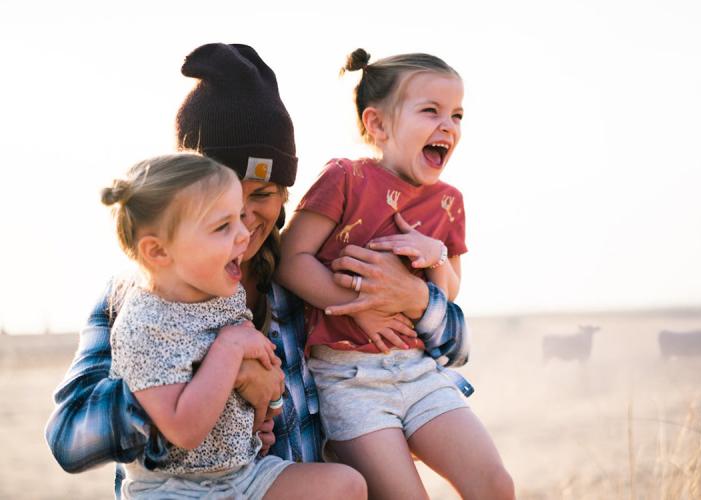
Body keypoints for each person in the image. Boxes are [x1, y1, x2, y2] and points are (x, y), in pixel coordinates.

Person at [45, 43, 470, 499]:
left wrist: (417, 299)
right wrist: (217, 377)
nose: (245, 217)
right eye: (223, 199)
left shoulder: (304, 278)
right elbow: (71, 439)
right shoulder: (137, 293)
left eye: (263, 192)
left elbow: (453, 352)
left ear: (286, 196)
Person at [276, 49, 515, 499]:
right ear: (378, 125)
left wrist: (436, 255)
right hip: (349, 379)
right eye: (431, 111)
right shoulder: (345, 178)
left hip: (418, 371)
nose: (449, 126)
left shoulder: (449, 201)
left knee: (495, 484)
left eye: (458, 115)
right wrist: (358, 307)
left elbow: (448, 293)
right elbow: (291, 259)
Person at [100, 153, 297, 498]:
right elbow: (185, 430)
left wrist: (260, 419)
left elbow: (261, 374)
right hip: (176, 488)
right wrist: (230, 348)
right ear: (158, 252)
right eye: (223, 226)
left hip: (240, 473)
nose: (242, 234)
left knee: (347, 485)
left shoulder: (223, 294)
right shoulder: (143, 325)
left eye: (238, 219)